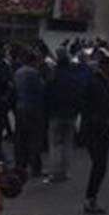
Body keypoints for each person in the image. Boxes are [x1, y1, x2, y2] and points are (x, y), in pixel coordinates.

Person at [80, 49, 109, 215]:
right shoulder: (97, 83)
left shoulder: (102, 82)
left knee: (100, 167)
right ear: (105, 67)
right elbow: (93, 108)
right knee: (99, 166)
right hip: (96, 132)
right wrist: (104, 123)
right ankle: (90, 200)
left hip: (99, 131)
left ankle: (91, 199)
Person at [44, 49, 84, 183]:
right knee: (67, 144)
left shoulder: (53, 78)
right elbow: (79, 96)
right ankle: (65, 172)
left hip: (55, 114)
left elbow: (47, 95)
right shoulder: (74, 79)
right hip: (70, 115)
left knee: (55, 145)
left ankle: (55, 173)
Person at [14, 49, 47, 177]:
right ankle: (35, 167)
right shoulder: (33, 73)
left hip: (20, 106)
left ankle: (20, 165)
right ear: (33, 61)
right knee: (34, 138)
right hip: (33, 108)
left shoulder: (18, 72)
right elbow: (41, 89)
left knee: (21, 138)